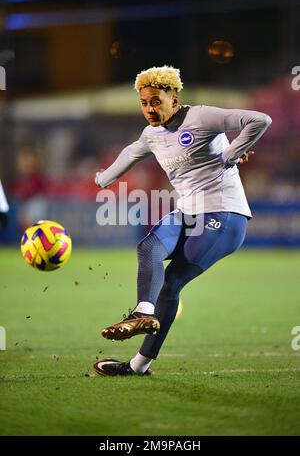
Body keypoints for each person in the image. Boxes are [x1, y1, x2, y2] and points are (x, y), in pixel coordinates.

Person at [93, 65, 272, 377]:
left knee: (172, 281)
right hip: (187, 211)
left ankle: (139, 364)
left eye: (156, 101)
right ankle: (142, 315)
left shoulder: (201, 117)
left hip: (224, 214)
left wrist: (232, 152)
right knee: (148, 248)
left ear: (173, 99)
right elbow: (132, 151)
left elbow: (259, 120)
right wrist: (103, 179)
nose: (150, 108)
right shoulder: (152, 134)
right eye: (144, 102)